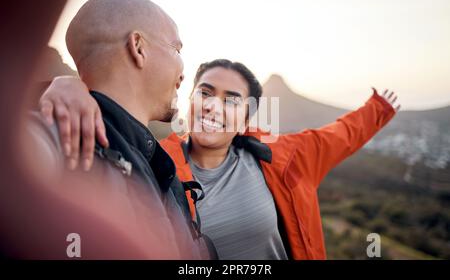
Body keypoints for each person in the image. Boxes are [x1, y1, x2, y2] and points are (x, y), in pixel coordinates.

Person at [40, 59, 399, 259]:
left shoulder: (287, 158)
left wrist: (379, 109)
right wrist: (68, 86)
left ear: (246, 117)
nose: (212, 105)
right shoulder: (153, 161)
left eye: (231, 99)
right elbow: (111, 119)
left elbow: (340, 134)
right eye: (206, 93)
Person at [29, 0, 217, 259]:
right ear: (138, 47)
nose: (184, 72)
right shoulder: (60, 137)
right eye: (176, 50)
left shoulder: (159, 167)